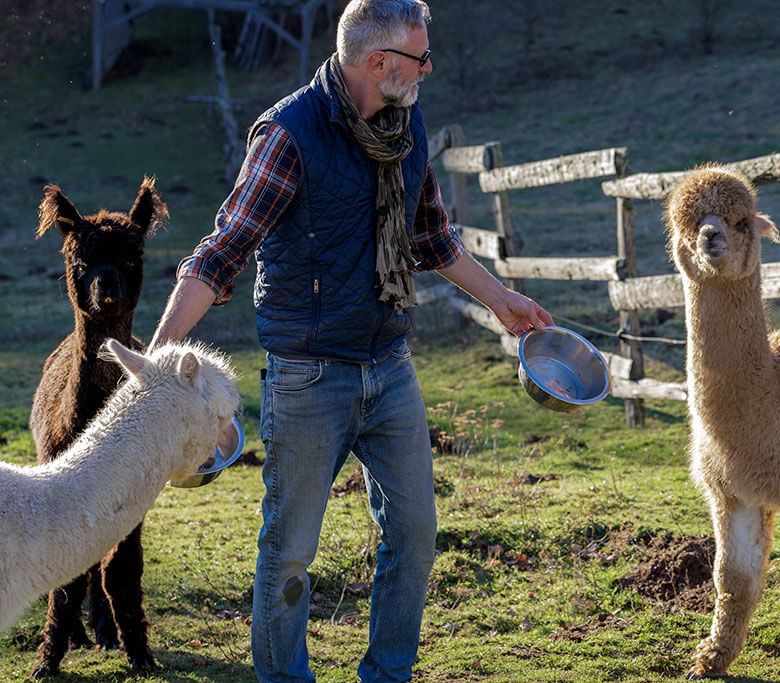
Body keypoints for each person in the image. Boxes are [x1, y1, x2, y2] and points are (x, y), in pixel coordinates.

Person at [147, 1, 552, 680]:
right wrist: (158, 359)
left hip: (389, 363)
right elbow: (221, 253)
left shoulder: (407, 125)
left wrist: (504, 301)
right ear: (378, 63)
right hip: (308, 376)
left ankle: (387, 673)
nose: (430, 68)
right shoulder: (288, 133)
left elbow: (433, 240)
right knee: (291, 550)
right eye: (420, 58)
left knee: (417, 537)